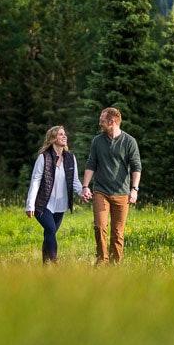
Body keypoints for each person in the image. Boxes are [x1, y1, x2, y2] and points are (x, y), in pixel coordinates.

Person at [80, 107, 141, 265]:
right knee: (100, 226)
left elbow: (136, 167)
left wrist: (134, 189)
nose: (99, 122)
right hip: (101, 191)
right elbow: (91, 163)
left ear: (112, 122)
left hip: (122, 193)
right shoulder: (97, 141)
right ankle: (102, 259)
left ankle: (114, 265)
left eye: (102, 120)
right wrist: (85, 186)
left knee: (117, 232)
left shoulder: (129, 142)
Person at [25, 125, 85, 265]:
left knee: (49, 233)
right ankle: (54, 261)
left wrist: (83, 191)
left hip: (61, 205)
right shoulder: (44, 158)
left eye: (65, 134)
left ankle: (45, 267)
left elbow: (74, 180)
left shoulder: (70, 158)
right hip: (43, 204)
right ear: (52, 139)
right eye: (60, 134)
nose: (64, 136)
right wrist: (30, 205)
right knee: (50, 229)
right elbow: (35, 181)